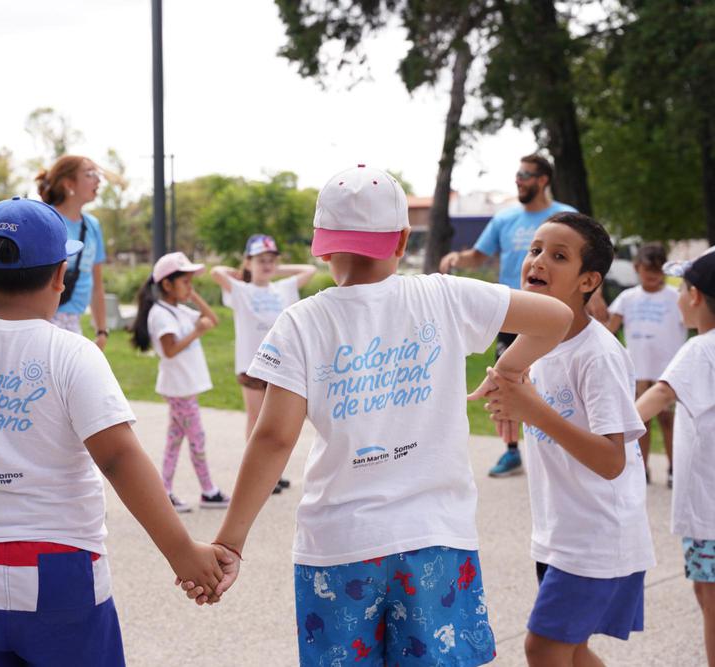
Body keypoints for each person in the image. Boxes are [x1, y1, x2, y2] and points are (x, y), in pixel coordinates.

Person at [184, 165, 572, 666]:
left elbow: (274, 438)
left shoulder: (301, 322)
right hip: (437, 539)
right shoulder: (445, 296)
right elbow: (557, 318)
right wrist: (508, 370)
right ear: (403, 239)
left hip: (338, 547)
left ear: (321, 247)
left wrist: (230, 542)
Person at [0, 197, 231, 666]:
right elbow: (118, 459)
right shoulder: (73, 354)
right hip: (63, 569)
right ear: (60, 276)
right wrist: (181, 551)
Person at [482, 212, 656, 667]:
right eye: (535, 249)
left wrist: (532, 409)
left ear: (588, 281)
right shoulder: (539, 342)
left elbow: (613, 459)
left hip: (598, 537)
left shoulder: (597, 355)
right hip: (560, 532)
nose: (538, 260)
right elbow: (525, 397)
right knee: (572, 651)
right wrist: (511, 404)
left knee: (542, 648)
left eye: (559, 256)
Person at [439, 154, 576, 478]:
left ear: (543, 180)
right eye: (517, 174)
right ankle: (512, 451)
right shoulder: (505, 219)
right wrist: (457, 258)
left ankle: (563, 448)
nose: (518, 180)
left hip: (555, 315)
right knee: (504, 382)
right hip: (512, 313)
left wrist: (594, 297)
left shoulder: (565, 216)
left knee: (557, 380)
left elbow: (585, 260)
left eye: (525, 175)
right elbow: (478, 255)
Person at [636, 247, 715, 667]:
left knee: (710, 599)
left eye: (681, 288)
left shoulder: (700, 349)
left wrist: (609, 433)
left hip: (709, 514)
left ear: (695, 296)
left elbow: (661, 394)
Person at [211, 235, 316, 494]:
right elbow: (216, 271)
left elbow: (309, 269)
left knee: (277, 423)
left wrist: (276, 270)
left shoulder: (282, 289)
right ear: (248, 262)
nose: (267, 264)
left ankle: (273, 474)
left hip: (279, 365)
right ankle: (257, 474)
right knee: (256, 420)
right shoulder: (242, 291)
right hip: (251, 365)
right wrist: (245, 271)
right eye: (261, 260)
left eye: (271, 260)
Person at [131, 252, 230, 513]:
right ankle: (209, 491)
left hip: (183, 388)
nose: (189, 287)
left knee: (175, 442)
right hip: (179, 390)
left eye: (191, 282)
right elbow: (170, 350)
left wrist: (193, 296)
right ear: (167, 284)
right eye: (185, 282)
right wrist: (197, 332)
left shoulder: (177, 309)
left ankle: (164, 491)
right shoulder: (161, 314)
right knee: (197, 440)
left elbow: (213, 320)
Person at [606, 242, 686, 486]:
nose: (652, 275)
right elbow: (609, 330)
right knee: (640, 423)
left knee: (669, 421)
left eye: (657, 270)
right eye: (647, 269)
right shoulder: (627, 298)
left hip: (668, 373)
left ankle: (674, 469)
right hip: (637, 371)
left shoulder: (676, 297)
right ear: (636, 268)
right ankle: (642, 470)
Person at [35, 155, 109, 348]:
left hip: (74, 321)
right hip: (43, 319)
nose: (98, 180)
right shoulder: (45, 219)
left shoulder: (92, 225)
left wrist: (102, 331)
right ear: (69, 184)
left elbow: (97, 285)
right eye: (89, 174)